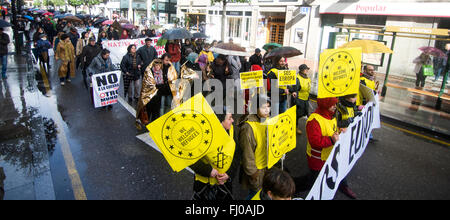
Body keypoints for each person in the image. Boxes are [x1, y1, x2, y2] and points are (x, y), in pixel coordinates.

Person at [190, 109, 239, 201]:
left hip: (225, 184)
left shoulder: (231, 130)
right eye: (229, 118)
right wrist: (208, 171)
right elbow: (190, 159)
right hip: (204, 185)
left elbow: (237, 154)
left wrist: (229, 174)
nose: (232, 121)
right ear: (220, 122)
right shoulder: (203, 135)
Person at [238, 94, 271, 200]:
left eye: (268, 106)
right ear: (255, 109)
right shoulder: (248, 128)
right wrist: (253, 173)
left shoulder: (266, 119)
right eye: (263, 107)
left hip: (266, 166)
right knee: (255, 195)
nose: (267, 110)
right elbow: (247, 154)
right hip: (257, 170)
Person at [289, 64, 312, 134]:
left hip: (305, 99)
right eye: (306, 69)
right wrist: (295, 99)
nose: (307, 70)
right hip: (298, 100)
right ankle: (294, 128)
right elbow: (295, 90)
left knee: (303, 113)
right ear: (302, 70)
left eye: (307, 69)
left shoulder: (307, 78)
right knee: (296, 115)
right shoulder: (297, 78)